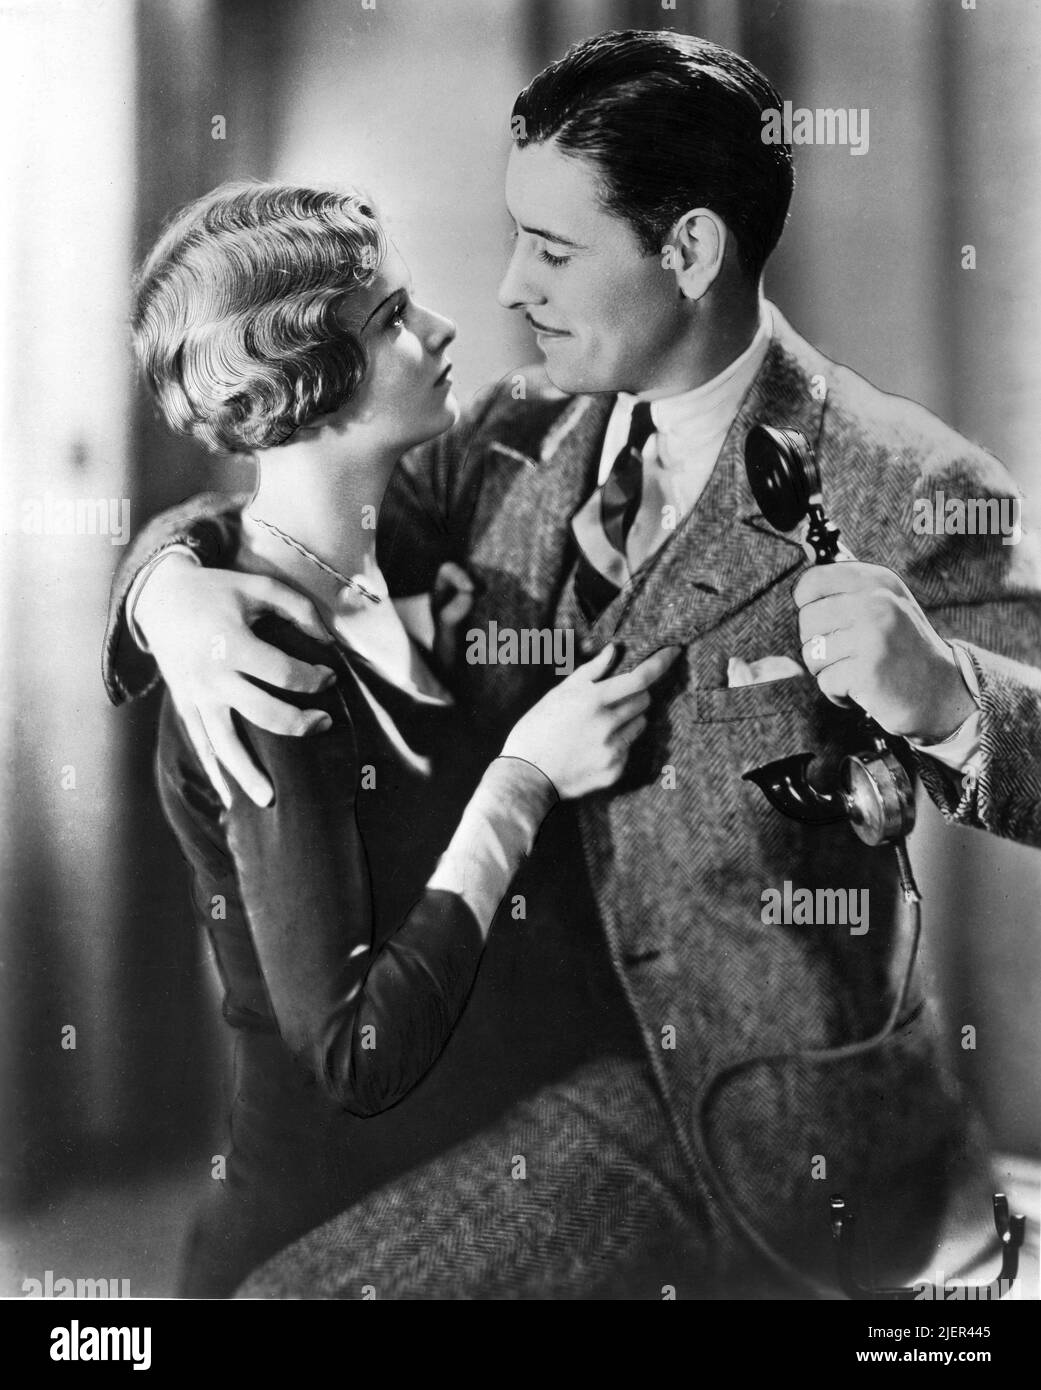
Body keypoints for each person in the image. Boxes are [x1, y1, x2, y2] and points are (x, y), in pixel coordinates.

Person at [104, 32, 1041, 1299]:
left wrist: (953, 705)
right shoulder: (512, 434)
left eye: (552, 250)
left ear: (692, 250)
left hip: (760, 1128)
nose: (505, 287)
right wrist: (169, 591)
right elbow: (296, 491)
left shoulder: (908, 484)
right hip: (527, 1092)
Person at [128, 179, 679, 1297]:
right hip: (330, 1238)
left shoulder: (413, 526)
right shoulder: (258, 672)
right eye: (389, 321)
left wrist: (158, 579)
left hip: (494, 1176)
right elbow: (354, 1054)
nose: (439, 329)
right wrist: (523, 777)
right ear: (300, 388)